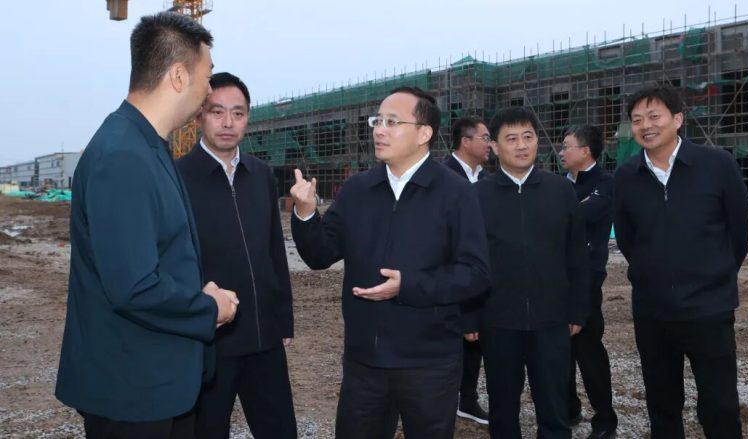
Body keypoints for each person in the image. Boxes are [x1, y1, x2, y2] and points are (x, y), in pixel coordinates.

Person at [56, 12, 238, 439]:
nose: (209, 89)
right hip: (133, 394)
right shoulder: (123, 156)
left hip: (158, 385)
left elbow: (155, 254)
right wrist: (209, 308)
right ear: (178, 76)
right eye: (207, 76)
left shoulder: (146, 145)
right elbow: (134, 286)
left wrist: (197, 290)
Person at [290, 86, 490, 439]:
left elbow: (475, 273)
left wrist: (408, 286)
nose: (379, 130)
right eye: (377, 121)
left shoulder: (455, 192)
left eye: (392, 122)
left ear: (423, 133)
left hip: (429, 361)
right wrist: (306, 214)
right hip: (365, 361)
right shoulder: (358, 190)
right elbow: (320, 254)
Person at [613, 84, 748, 439]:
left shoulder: (716, 164)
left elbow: (739, 232)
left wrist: (714, 275)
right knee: (662, 405)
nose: (646, 125)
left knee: (720, 405)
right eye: (637, 119)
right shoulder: (626, 176)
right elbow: (628, 239)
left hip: (710, 309)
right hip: (653, 312)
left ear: (677, 119)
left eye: (654, 116)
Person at [177, 72, 297, 438]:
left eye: (238, 113)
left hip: (263, 336)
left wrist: (283, 319)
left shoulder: (261, 175)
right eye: (217, 112)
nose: (228, 123)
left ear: (248, 118)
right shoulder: (177, 178)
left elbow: (275, 250)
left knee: (279, 430)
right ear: (199, 115)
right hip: (211, 337)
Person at [469, 107, 591, 439]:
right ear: (494, 146)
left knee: (554, 407)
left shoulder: (560, 190)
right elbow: (468, 261)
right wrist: (469, 315)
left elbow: (577, 255)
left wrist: (579, 309)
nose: (522, 146)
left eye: (528, 137)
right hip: (498, 320)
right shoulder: (477, 196)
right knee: (502, 407)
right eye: (511, 139)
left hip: (552, 319)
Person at [559, 125, 618, 439]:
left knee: (588, 350)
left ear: (585, 151)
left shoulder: (605, 183)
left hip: (587, 280)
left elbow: (581, 216)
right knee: (560, 350)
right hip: (557, 278)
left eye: (567, 146)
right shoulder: (559, 184)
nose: (561, 153)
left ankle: (605, 419)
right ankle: (569, 408)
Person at [443, 115, 491, 425]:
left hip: (479, 274)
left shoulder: (487, 180)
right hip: (447, 275)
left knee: (476, 341)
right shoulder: (443, 177)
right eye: (485, 137)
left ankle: (468, 398)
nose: (489, 144)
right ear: (466, 141)